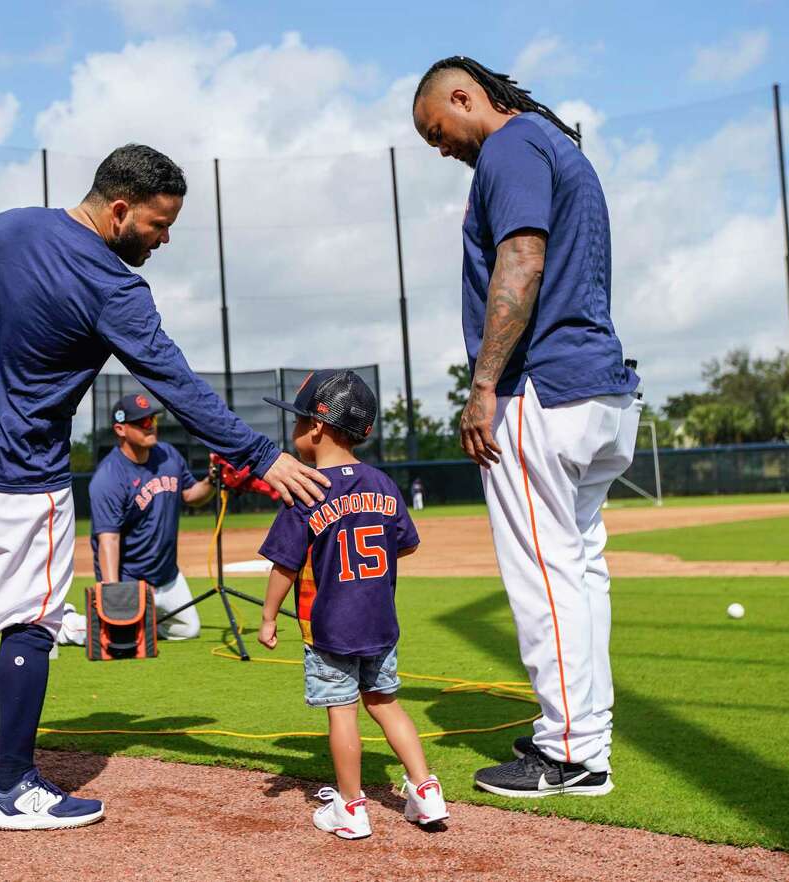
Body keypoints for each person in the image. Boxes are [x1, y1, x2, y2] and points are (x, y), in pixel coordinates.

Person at [0, 144, 330, 832]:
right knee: (31, 622)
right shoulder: (114, 287)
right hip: (21, 470)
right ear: (119, 209)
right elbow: (177, 384)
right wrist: (261, 455)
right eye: (158, 224)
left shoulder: (7, 225)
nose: (164, 239)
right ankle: (13, 786)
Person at [413, 57, 642, 798]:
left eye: (437, 131)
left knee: (544, 577)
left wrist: (483, 386)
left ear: (462, 95)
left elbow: (522, 255)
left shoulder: (510, 147)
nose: (441, 148)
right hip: (598, 387)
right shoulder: (556, 143)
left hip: (541, 392)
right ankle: (586, 731)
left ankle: (569, 750)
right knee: (578, 570)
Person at [255, 370, 448, 839]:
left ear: (318, 427)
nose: (294, 429)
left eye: (299, 420)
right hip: (380, 622)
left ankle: (351, 806)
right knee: (386, 703)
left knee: (342, 711)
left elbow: (283, 565)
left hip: (331, 628)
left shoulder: (305, 488)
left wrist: (266, 617)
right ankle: (426, 792)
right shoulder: (382, 482)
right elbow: (404, 545)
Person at [86, 393, 215, 641]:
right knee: (118, 636)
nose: (151, 426)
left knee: (189, 630)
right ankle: (71, 626)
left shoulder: (167, 455)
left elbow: (191, 495)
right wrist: (114, 594)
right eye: (142, 422)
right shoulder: (109, 477)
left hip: (167, 575)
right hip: (130, 577)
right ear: (120, 429)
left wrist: (212, 479)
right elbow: (108, 541)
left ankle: (144, 620)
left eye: (152, 420)